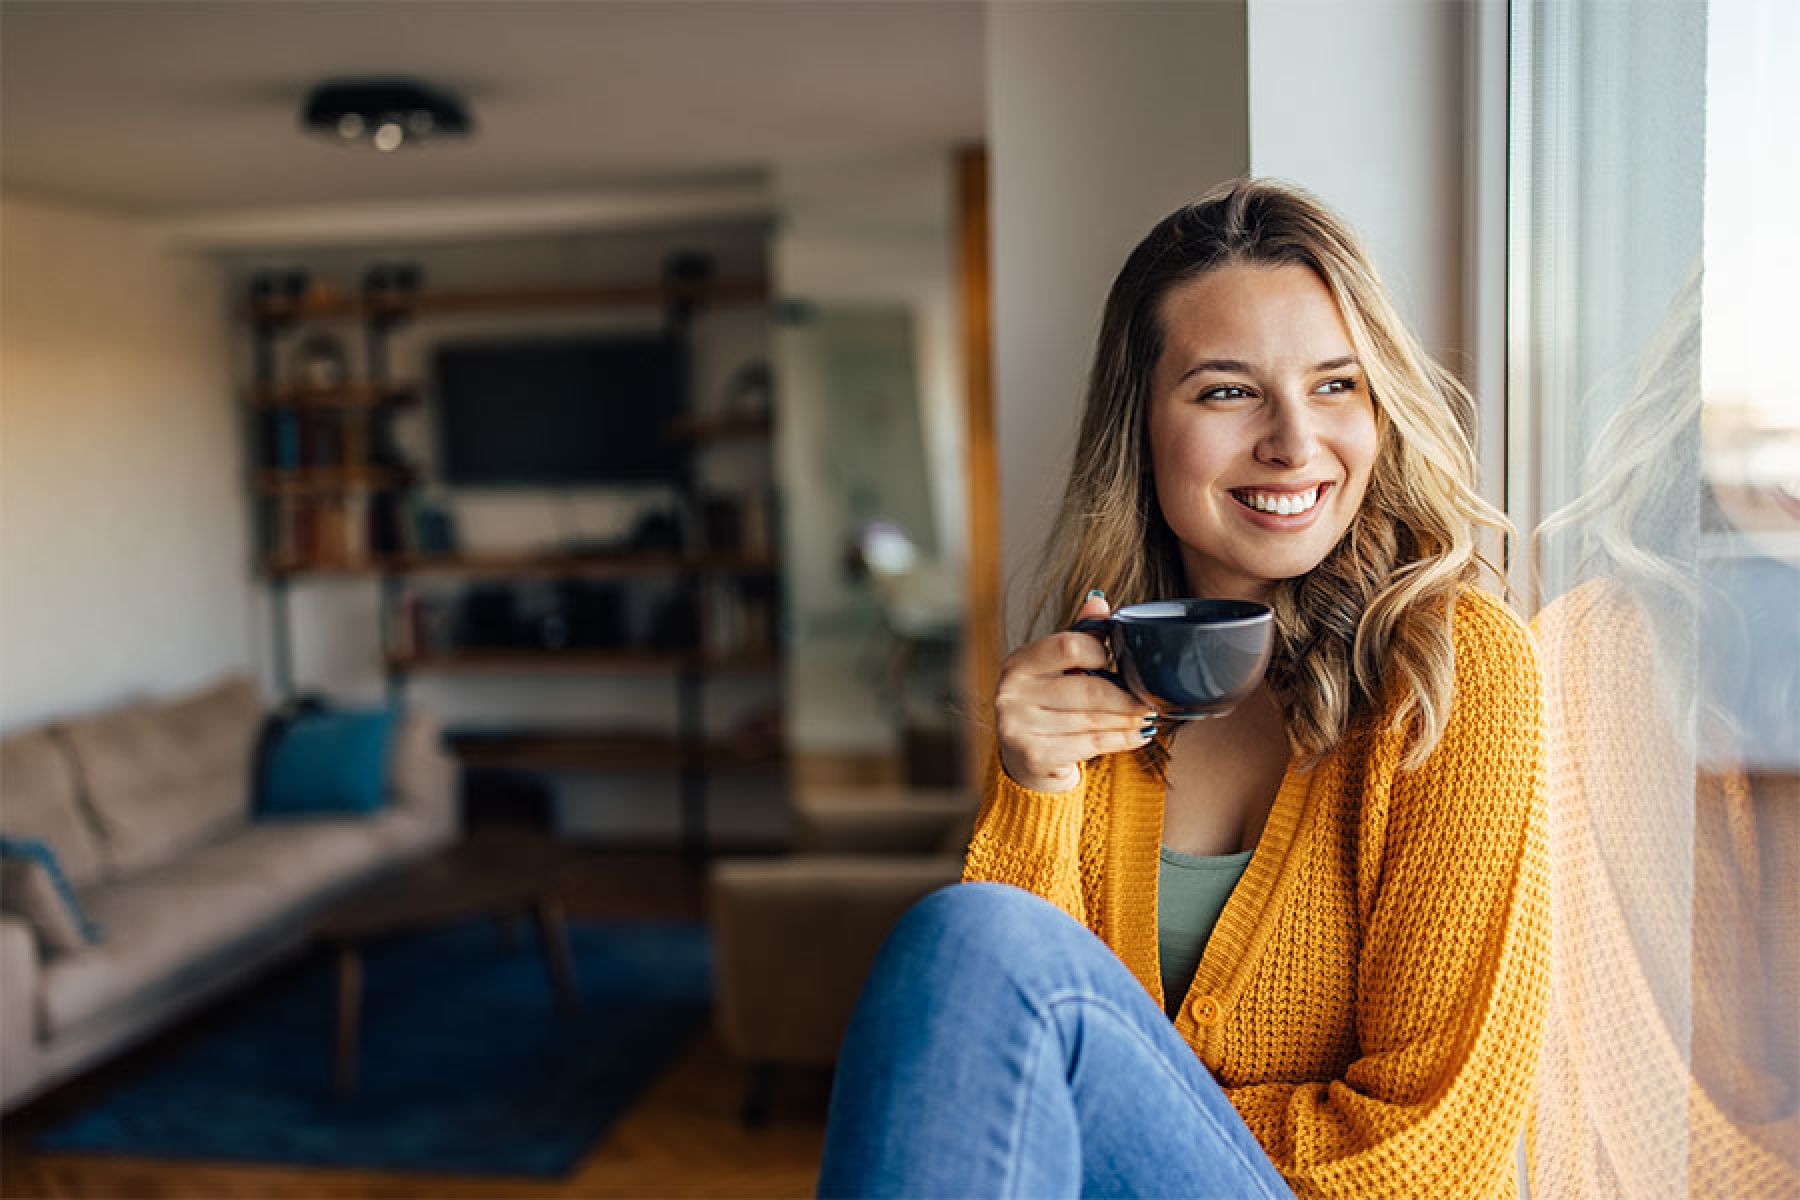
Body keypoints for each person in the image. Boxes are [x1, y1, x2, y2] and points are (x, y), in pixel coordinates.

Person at [816, 178, 1550, 1199]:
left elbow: (1430, 1153)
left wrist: (1109, 1124)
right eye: (1227, 390)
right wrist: (1035, 788)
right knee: (971, 939)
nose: (1295, 440)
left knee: (967, 935)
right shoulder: (1090, 686)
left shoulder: (1453, 672)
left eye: (1336, 384)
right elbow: (1009, 1045)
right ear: (1145, 425)